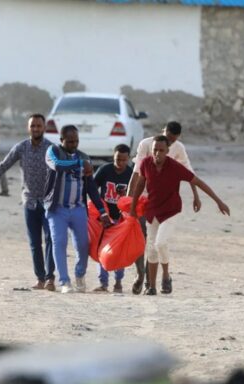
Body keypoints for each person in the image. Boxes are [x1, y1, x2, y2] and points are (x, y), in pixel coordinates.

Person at [129, 135, 230, 296]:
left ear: (168, 151)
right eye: (155, 150)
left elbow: (197, 182)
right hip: (152, 210)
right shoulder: (146, 163)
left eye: (161, 150)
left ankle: (166, 275)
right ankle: (152, 287)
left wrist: (218, 201)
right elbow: (140, 184)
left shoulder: (175, 167)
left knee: (160, 243)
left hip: (171, 210)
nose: (157, 153)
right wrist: (132, 207)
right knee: (151, 248)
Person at [0, 114, 56, 291]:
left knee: (51, 239)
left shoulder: (52, 149)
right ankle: (40, 278)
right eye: (32, 126)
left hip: (49, 203)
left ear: (44, 128)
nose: (35, 129)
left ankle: (51, 278)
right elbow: (3, 166)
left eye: (38, 126)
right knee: (35, 243)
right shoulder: (21, 148)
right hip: (29, 203)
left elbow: (63, 172)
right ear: (28, 128)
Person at [127, 121, 201, 294]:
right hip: (144, 200)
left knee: (156, 243)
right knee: (143, 240)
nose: (169, 142)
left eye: (172, 140)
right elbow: (136, 173)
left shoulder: (178, 148)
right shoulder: (146, 144)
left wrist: (196, 196)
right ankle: (141, 276)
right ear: (163, 131)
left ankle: (152, 282)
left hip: (164, 201)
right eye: (167, 137)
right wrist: (129, 199)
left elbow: (189, 173)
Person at [44, 125, 112, 294]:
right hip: (57, 209)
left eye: (76, 141)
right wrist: (80, 164)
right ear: (61, 140)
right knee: (59, 243)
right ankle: (64, 282)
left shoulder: (84, 157)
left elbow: (91, 188)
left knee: (83, 245)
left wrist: (102, 211)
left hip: (78, 209)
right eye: (70, 141)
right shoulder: (53, 152)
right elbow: (58, 166)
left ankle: (79, 275)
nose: (74, 144)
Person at [92, 144, 133, 293]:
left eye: (123, 160)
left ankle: (118, 281)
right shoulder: (105, 170)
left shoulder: (131, 174)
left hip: (121, 218)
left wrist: (125, 196)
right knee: (102, 250)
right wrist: (99, 211)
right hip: (105, 217)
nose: (120, 163)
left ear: (128, 159)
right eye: (117, 159)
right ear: (113, 156)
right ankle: (103, 283)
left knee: (118, 251)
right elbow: (92, 189)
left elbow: (134, 197)